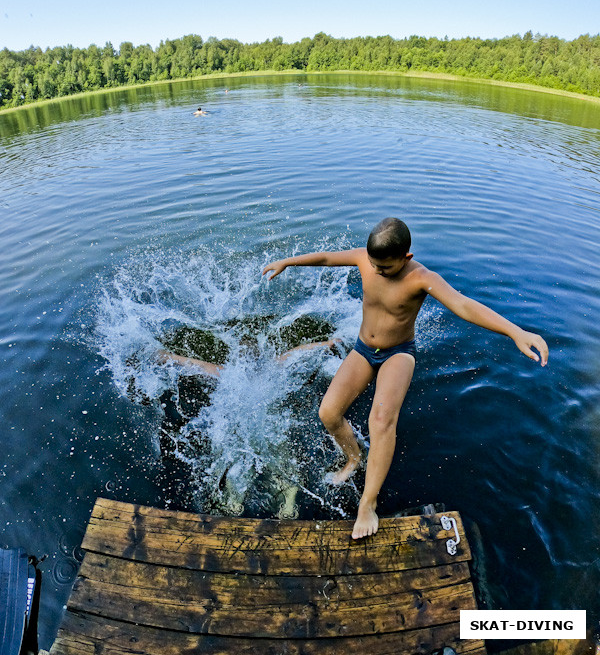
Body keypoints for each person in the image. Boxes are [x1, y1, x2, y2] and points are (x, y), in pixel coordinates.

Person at [262, 217, 548, 540]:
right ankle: (354, 458)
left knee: (381, 419)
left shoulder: (421, 278)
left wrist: (515, 331)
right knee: (328, 412)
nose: (377, 272)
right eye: (374, 265)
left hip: (399, 353)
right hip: (363, 349)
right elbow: (327, 258)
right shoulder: (365, 260)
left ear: (406, 258)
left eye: (385, 268)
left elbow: (464, 305)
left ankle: (367, 503)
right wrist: (288, 262)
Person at [156, 338, 342, 374]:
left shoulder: (227, 373)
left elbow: (196, 365)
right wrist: (326, 344)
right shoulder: (272, 366)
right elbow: (298, 351)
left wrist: (166, 357)